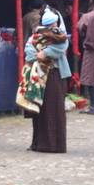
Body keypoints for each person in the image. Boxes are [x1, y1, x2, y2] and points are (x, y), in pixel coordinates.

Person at [22, 8, 71, 153]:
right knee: (39, 109)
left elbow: (62, 48)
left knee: (54, 109)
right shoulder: (36, 36)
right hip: (39, 73)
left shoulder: (60, 36)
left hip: (55, 74)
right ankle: (38, 143)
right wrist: (38, 56)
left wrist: (46, 53)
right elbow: (28, 49)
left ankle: (54, 144)